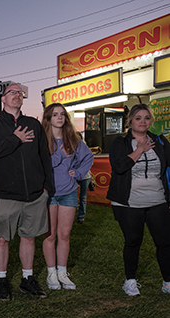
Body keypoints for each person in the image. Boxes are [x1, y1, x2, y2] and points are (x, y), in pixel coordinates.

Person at [0, 82, 53, 300]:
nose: (17, 95)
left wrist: (47, 187)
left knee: (29, 237)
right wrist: (15, 139)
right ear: (2, 98)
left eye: (20, 93)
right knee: (2, 238)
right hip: (5, 193)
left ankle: (27, 279)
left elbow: (44, 157)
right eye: (11, 92)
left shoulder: (33, 123)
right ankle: (2, 280)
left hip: (34, 193)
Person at [107, 103, 170, 296]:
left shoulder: (160, 141)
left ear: (151, 121)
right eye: (138, 118)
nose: (143, 122)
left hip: (158, 200)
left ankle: (168, 281)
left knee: (165, 242)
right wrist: (140, 150)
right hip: (129, 203)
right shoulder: (121, 143)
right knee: (133, 241)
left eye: (147, 118)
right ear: (130, 121)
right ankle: (130, 281)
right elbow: (119, 167)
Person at [41, 103, 94, 290]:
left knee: (64, 235)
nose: (60, 117)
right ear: (48, 118)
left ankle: (62, 273)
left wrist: (78, 173)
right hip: (48, 193)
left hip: (69, 192)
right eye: (55, 114)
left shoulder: (73, 138)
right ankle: (51, 274)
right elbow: (43, 164)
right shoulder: (42, 139)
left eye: (62, 114)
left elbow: (88, 157)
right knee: (50, 235)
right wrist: (60, 155)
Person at [77, 133, 93, 224]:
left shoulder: (86, 150)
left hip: (85, 176)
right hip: (75, 176)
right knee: (71, 196)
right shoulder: (69, 148)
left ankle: (81, 217)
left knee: (82, 197)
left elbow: (90, 162)